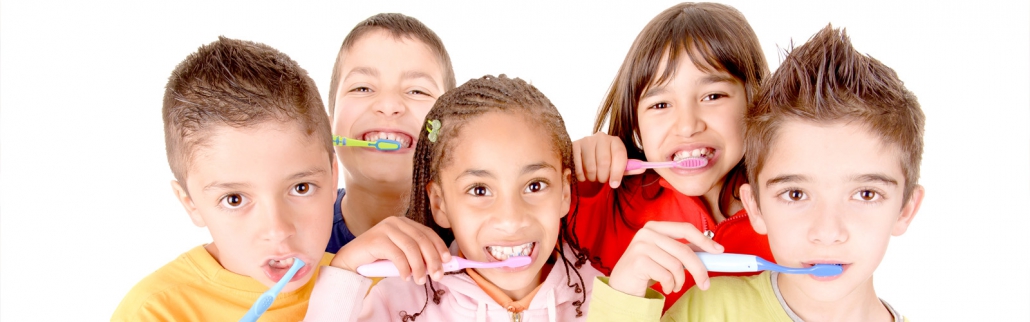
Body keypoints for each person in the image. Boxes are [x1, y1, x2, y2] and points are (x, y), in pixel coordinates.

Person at [588, 25, 924, 322]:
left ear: (906, 208)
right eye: (796, 194)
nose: (827, 232)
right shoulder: (708, 310)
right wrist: (624, 295)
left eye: (866, 194)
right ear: (756, 207)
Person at [305, 75, 602, 322]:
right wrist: (342, 274)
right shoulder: (397, 304)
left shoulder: (607, 296)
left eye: (535, 186)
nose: (511, 220)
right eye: (480, 190)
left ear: (565, 192)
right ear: (440, 204)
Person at [112, 37, 338, 321]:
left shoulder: (370, 288)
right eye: (235, 199)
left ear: (333, 177)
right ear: (190, 203)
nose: (278, 229)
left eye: (301, 188)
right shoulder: (155, 312)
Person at [325, 13, 457, 252]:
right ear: (328, 125)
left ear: (449, 130)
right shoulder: (291, 234)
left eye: (417, 91)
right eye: (362, 87)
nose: (388, 105)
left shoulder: (479, 239)